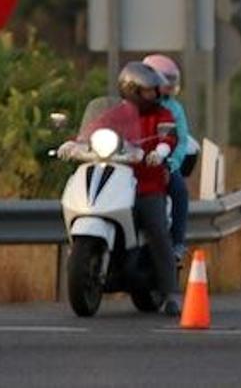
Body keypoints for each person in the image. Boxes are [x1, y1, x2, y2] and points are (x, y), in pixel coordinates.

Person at [60, 62, 182, 316]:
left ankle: (170, 292)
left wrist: (160, 152)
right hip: (116, 174)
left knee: (157, 228)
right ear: (132, 90)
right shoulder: (117, 113)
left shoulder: (162, 115)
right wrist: (72, 144)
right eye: (149, 90)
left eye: (155, 90)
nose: (155, 94)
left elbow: (168, 136)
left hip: (148, 182)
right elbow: (91, 131)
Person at [142, 53, 193, 265]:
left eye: (172, 81)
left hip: (163, 165)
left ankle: (178, 243)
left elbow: (181, 140)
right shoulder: (131, 104)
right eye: (165, 81)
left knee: (180, 190)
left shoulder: (173, 109)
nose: (169, 87)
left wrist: (171, 164)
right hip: (132, 164)